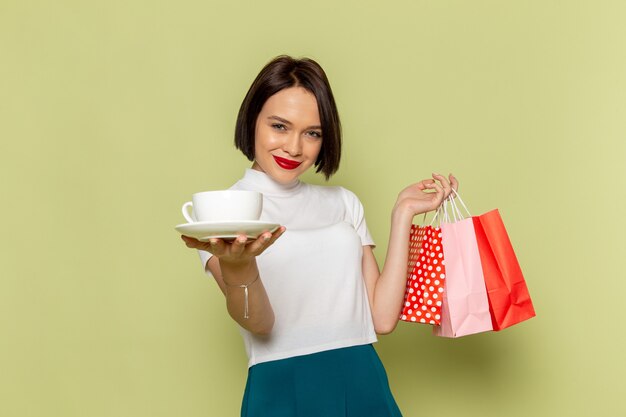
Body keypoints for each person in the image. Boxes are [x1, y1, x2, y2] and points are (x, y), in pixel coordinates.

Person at [181, 55, 458, 417]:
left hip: (362, 379)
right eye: (279, 126)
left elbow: (381, 319)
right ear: (252, 121)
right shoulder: (223, 212)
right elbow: (260, 324)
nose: (295, 148)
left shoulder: (343, 203)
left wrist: (402, 214)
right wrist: (240, 265)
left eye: (312, 133)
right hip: (281, 387)